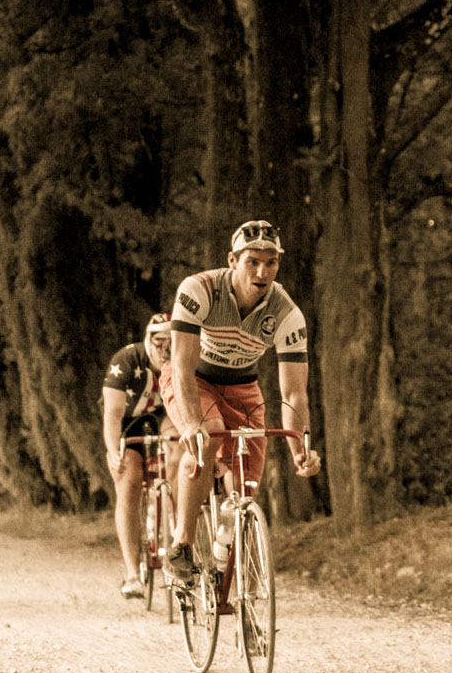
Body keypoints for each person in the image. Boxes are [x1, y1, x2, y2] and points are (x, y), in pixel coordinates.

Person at [160, 220, 322, 579]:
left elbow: (294, 392)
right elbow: (182, 367)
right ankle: (182, 544)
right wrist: (189, 424)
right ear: (232, 260)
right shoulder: (199, 289)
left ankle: (233, 565)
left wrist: (301, 448)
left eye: (271, 262)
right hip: (194, 379)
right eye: (253, 261)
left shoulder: (287, 313)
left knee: (246, 487)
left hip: (244, 389)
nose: (262, 272)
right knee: (209, 435)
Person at [102, 313, 175, 598]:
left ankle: (181, 539)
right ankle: (133, 574)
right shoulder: (127, 359)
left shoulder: (182, 355)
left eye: (171, 344)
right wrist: (112, 450)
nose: (164, 351)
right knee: (129, 481)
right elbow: (113, 413)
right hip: (127, 423)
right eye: (159, 344)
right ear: (148, 340)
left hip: (163, 418)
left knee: (179, 457)